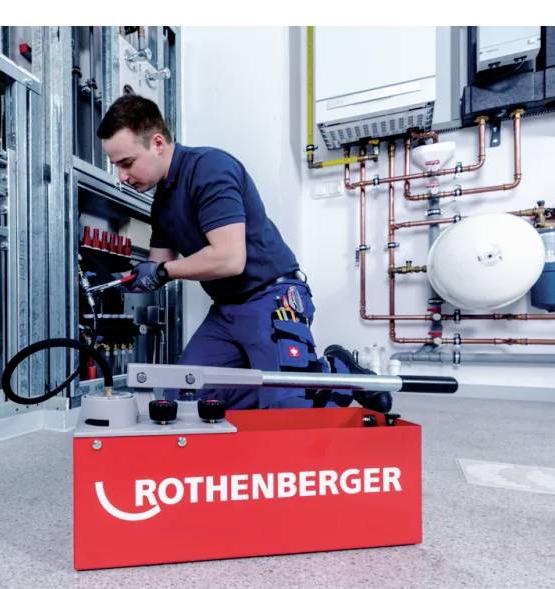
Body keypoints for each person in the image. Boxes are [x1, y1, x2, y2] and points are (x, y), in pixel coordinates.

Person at [96, 94, 389, 412]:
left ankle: (335, 371)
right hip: (227, 311)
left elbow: (230, 258)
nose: (122, 176)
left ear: (156, 143)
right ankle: (289, 382)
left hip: (273, 298)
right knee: (181, 400)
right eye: (117, 166)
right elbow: (157, 268)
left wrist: (163, 272)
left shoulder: (209, 169)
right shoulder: (162, 204)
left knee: (288, 413)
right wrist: (115, 277)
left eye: (126, 163)